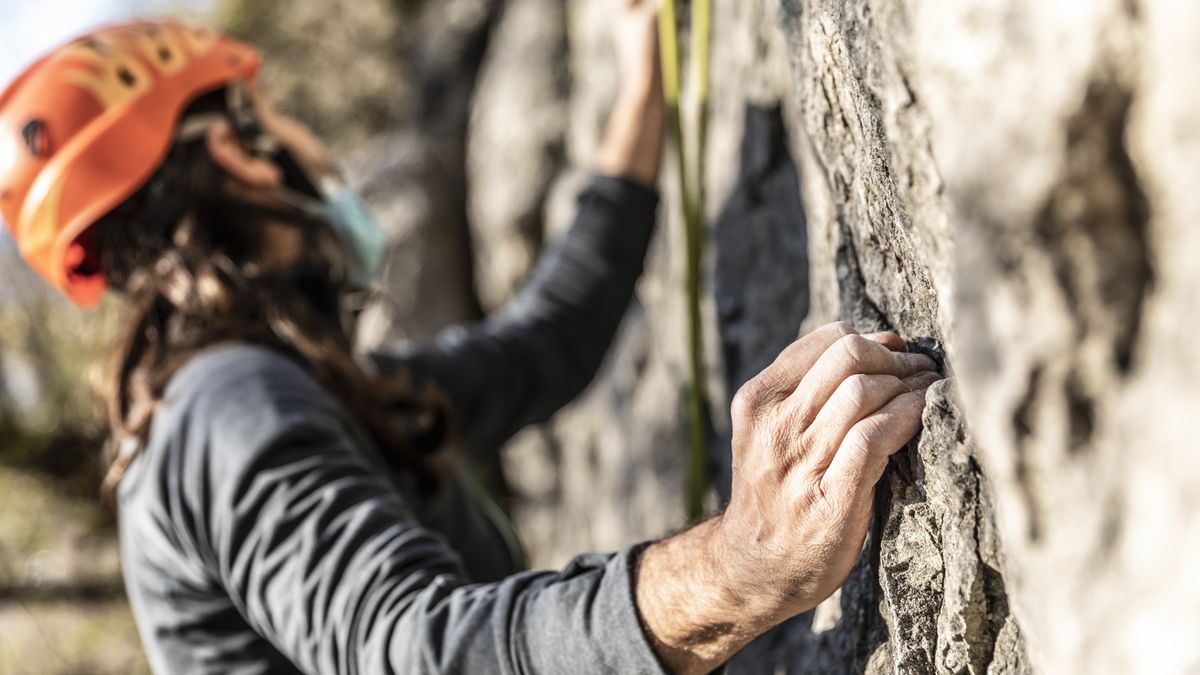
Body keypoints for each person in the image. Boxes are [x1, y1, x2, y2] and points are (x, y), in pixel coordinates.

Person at [0, 3, 941, 673]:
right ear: (235, 150)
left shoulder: (295, 391)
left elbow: (548, 344)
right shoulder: (228, 410)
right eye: (275, 111)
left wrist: (640, 86)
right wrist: (740, 565)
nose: (311, 142)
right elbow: (422, 649)